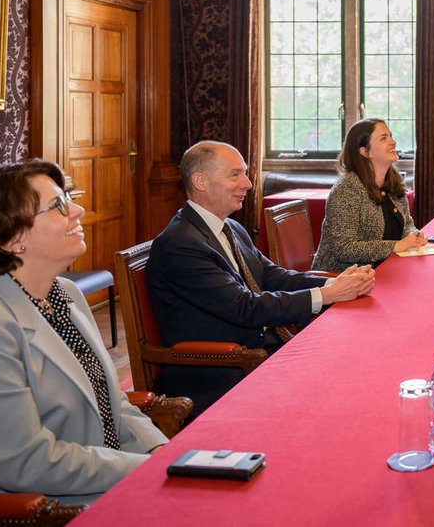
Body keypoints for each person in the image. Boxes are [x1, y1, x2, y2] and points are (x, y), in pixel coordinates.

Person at [0, 160, 166, 506]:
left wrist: (163, 452)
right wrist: (150, 470)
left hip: (95, 481)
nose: (78, 209)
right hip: (18, 510)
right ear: (11, 239)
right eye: (58, 206)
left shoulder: (65, 293)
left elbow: (114, 402)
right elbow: (27, 463)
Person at [147, 140, 375, 414]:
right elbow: (245, 307)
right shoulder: (181, 244)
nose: (248, 184)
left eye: (245, 173)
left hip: (258, 347)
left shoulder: (229, 226)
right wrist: (327, 295)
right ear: (200, 181)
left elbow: (271, 275)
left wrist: (333, 283)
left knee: (354, 359)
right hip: (220, 369)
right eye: (235, 174)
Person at [312, 118, 427, 273]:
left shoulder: (392, 182)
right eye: (384, 138)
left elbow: (407, 224)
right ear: (365, 152)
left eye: (391, 136)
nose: (393, 142)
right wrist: (396, 246)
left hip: (384, 272)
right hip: (341, 280)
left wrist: (414, 235)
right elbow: (343, 248)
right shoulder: (347, 188)